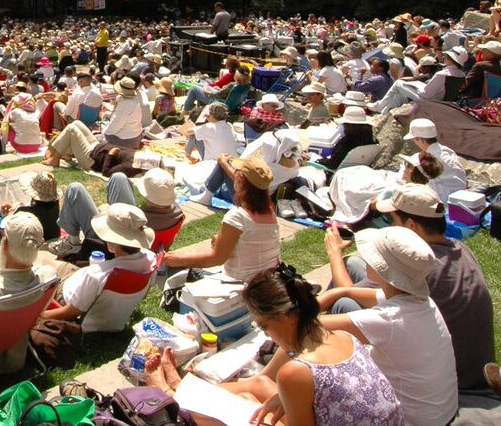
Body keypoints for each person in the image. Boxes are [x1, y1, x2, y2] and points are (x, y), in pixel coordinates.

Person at [146, 264, 404, 426]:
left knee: (221, 419)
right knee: (254, 392)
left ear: (285, 317)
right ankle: (179, 389)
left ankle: (170, 398)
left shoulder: (298, 372)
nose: (266, 334)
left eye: (263, 325)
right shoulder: (343, 338)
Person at [320, 184, 496, 390]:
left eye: (392, 221)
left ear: (412, 226)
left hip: (450, 379)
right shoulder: (460, 249)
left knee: (342, 303)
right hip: (471, 368)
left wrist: (334, 255)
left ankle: (318, 353)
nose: (388, 226)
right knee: (353, 265)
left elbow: (347, 291)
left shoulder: (417, 266)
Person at [318, 226, 459, 426]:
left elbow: (309, 324)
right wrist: (336, 293)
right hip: (440, 416)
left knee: (321, 378)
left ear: (381, 268)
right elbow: (354, 293)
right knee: (343, 303)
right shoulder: (421, 301)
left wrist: (306, 305)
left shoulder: (389, 319)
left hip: (408, 422)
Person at [163, 153, 281, 282]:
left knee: (176, 269)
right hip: (266, 283)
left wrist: (176, 260)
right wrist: (221, 239)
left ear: (240, 180)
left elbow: (216, 259)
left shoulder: (237, 216)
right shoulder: (270, 211)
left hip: (241, 286)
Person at [41, 203, 158, 333]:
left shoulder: (98, 276)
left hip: (68, 292)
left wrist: (37, 318)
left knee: (45, 267)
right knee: (49, 262)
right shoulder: (151, 260)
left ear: (113, 240)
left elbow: (70, 313)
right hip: (81, 281)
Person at [0, 170, 60, 240]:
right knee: (4, 181)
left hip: (9, 234)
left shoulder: (23, 212)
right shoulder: (55, 206)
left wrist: (10, 214)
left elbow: (4, 227)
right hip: (47, 237)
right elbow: (38, 210)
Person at [402, 118, 466, 204]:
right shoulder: (447, 151)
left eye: (414, 139)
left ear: (418, 139)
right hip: (460, 196)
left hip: (444, 202)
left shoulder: (428, 160)